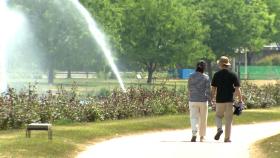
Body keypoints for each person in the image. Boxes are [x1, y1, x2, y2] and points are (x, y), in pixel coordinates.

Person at [211, 56, 243, 143]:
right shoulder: (233, 75)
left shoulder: (216, 75)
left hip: (219, 100)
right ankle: (227, 138)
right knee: (229, 119)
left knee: (218, 116)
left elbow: (213, 89)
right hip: (229, 100)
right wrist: (240, 100)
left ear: (220, 65)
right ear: (228, 65)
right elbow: (237, 89)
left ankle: (219, 129)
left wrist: (212, 98)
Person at [188, 60, 211, 142]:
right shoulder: (206, 77)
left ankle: (194, 133)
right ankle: (202, 136)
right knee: (203, 118)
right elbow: (208, 90)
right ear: (204, 68)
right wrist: (210, 100)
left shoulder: (191, 76)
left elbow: (189, 87)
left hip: (193, 99)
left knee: (193, 117)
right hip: (203, 100)